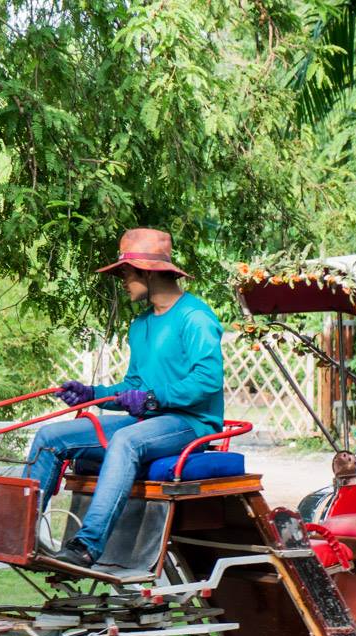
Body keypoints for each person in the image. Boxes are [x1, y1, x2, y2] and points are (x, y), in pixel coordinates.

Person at [23, 228, 225, 568]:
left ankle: (86, 546)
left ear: (148, 272)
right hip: (148, 421)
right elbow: (132, 386)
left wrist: (151, 399)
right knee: (49, 437)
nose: (123, 282)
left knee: (125, 441)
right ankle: (18, 533)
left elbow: (207, 381)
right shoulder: (141, 325)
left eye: (126, 273)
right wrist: (93, 395)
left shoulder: (196, 318)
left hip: (190, 424)